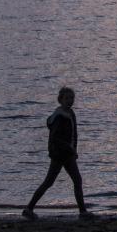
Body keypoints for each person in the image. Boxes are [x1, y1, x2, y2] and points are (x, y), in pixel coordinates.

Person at [22, 86, 95, 220]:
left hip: (68, 154)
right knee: (53, 182)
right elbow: (55, 138)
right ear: (60, 100)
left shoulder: (71, 113)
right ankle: (29, 208)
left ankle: (83, 212)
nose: (70, 101)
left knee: (74, 180)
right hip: (59, 154)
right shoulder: (59, 116)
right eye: (67, 98)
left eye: (72, 98)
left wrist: (74, 150)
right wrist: (69, 148)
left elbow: (74, 135)